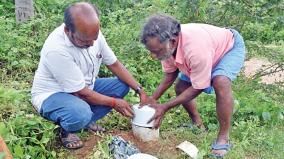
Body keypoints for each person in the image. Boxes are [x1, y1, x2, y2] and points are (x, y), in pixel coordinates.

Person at [31, 2, 149, 149]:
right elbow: (81, 92)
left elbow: (114, 64)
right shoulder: (56, 49)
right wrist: (114, 102)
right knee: (80, 112)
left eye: (94, 38)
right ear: (68, 30)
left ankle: (85, 120)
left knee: (122, 86)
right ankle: (67, 129)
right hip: (53, 94)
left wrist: (139, 90)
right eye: (85, 41)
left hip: (84, 88)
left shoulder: (92, 33)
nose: (92, 44)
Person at [140, 14, 245, 157]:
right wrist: (153, 99)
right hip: (207, 52)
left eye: (156, 52)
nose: (154, 56)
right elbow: (170, 75)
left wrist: (165, 107)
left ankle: (223, 137)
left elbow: (198, 87)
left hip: (227, 48)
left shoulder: (195, 49)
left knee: (220, 82)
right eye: (151, 51)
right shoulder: (165, 47)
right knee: (181, 88)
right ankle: (197, 124)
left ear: (172, 41)